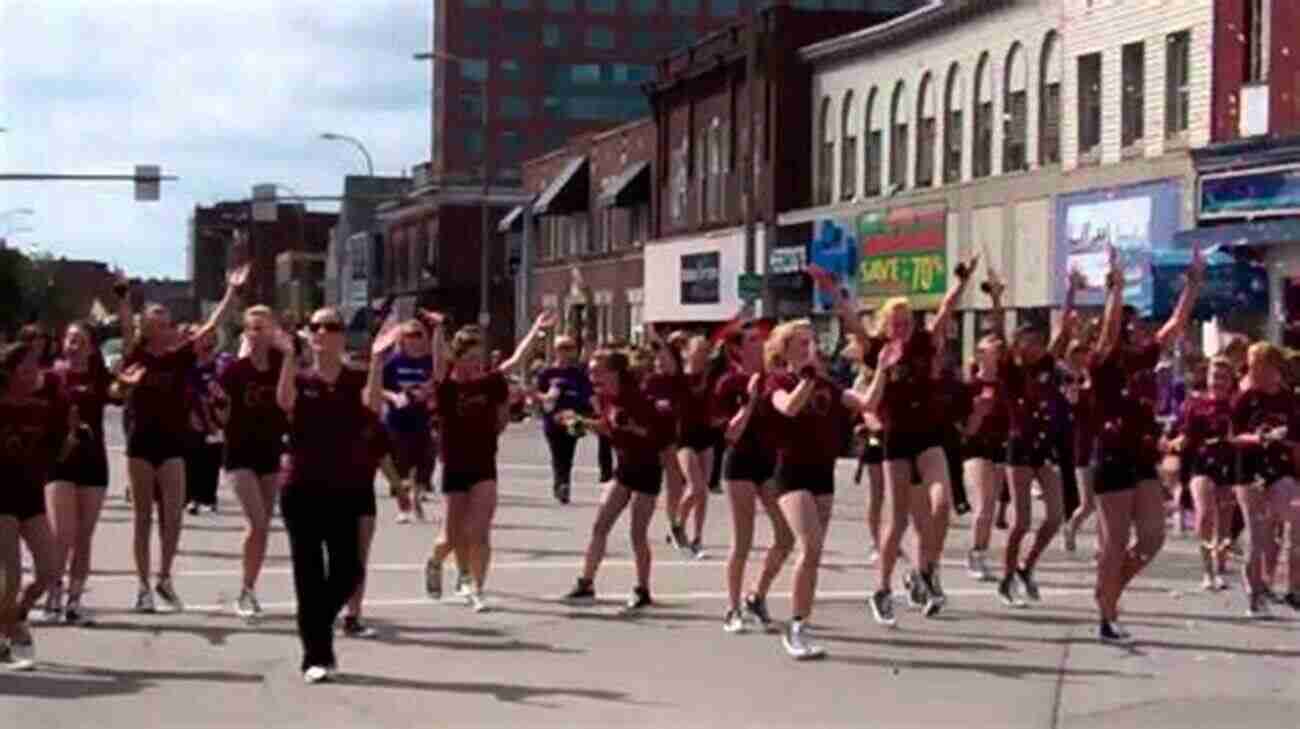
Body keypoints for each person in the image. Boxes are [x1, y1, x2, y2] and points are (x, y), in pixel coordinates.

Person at [115, 260, 248, 612]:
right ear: (147, 327)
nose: (160, 327)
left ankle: (165, 578)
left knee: (172, 517)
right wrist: (123, 296)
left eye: (164, 322)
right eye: (154, 322)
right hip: (140, 442)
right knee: (143, 517)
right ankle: (143, 586)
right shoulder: (137, 353)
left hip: (174, 442)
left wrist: (231, 292)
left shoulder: (179, 356)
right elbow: (126, 326)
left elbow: (211, 326)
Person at [1090, 244, 1202, 643]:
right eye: (1125, 325)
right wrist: (1116, 291)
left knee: (1153, 537)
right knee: (1115, 541)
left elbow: (1175, 323)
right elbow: (1105, 334)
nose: (1132, 330)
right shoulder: (1100, 364)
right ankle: (1107, 614)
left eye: (1134, 325)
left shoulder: (1144, 358)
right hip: (1111, 456)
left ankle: (1109, 591)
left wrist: (1193, 284)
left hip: (1140, 456)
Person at [276, 307, 392, 684]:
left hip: (343, 487)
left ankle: (314, 625)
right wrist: (290, 355)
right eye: (317, 327)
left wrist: (376, 360)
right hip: (302, 487)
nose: (324, 332)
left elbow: (373, 408)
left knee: (348, 570)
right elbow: (284, 402)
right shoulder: (302, 377)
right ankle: (317, 655)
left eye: (333, 327)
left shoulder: (354, 377)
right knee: (308, 575)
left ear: (343, 336)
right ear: (310, 335)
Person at [863, 254, 977, 626]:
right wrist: (880, 371)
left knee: (941, 504)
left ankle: (926, 570)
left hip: (929, 436)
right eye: (895, 323)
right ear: (887, 326)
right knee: (897, 521)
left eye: (906, 321)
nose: (902, 327)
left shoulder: (925, 343)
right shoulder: (881, 353)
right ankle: (881, 588)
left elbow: (945, 310)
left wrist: (961, 282)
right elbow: (872, 399)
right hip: (896, 439)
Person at [422, 311, 554, 612]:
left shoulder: (490, 382)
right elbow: (438, 363)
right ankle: (436, 561)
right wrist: (439, 328)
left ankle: (476, 587)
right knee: (451, 538)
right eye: (469, 357)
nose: (475, 362)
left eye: (478, 357)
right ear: (458, 358)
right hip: (455, 465)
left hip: (484, 464)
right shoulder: (447, 387)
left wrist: (536, 329)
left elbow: (517, 360)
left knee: (480, 531)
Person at [765, 311, 872, 659]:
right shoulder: (777, 381)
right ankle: (795, 626)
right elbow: (789, 409)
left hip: (822, 473)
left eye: (812, 341)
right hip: (791, 473)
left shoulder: (826, 384)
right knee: (808, 546)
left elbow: (866, 403)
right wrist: (808, 378)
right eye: (802, 342)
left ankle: (791, 616)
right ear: (786, 349)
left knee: (813, 553)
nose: (810, 346)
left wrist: (881, 368)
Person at [983, 268, 1078, 607]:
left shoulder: (1048, 365)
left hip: (1044, 447)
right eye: (1027, 342)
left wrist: (1071, 292)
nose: (1034, 347)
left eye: (1038, 342)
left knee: (1054, 516)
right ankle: (1008, 576)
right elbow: (998, 331)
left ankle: (1027, 566)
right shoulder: (1011, 369)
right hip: (1019, 447)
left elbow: (1064, 332)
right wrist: (996, 298)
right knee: (1021, 520)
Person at [562, 347, 675, 611]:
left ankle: (643, 589)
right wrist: (581, 423)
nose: (591, 374)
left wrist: (631, 426)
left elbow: (656, 436)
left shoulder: (637, 397)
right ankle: (586, 582)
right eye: (590, 370)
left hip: (647, 469)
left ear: (614, 372)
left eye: (597, 370)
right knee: (600, 525)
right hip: (623, 469)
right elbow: (606, 426)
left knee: (638, 534)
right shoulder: (603, 398)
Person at [0, 340, 75, 670]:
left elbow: (56, 450)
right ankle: (9, 633)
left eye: (37, 367)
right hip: (0, 496)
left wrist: (69, 435)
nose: (35, 374)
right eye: (28, 367)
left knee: (48, 571)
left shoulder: (42, 407)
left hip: (30, 495)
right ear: (12, 371)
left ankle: (14, 617)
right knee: (11, 576)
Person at [714, 322, 794, 633]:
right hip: (740, 463)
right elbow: (730, 433)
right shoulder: (729, 383)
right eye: (751, 340)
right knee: (743, 541)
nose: (759, 343)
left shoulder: (775, 380)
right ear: (737, 349)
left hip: (769, 463)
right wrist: (748, 400)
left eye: (761, 339)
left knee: (786, 536)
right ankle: (732, 608)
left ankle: (757, 595)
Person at [214, 305, 289, 622]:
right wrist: (216, 408)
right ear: (245, 333)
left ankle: (250, 588)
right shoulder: (234, 371)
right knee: (257, 522)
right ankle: (245, 590)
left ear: (274, 331)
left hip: (270, 452)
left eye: (264, 327)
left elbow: (290, 402)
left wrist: (291, 357)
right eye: (253, 328)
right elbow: (221, 414)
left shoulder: (281, 365)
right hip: (239, 453)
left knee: (262, 528)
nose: (259, 334)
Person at [42, 322, 116, 624]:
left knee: (84, 536)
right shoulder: (52, 376)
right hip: (59, 462)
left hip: (93, 462)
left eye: (82, 341)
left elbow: (118, 390)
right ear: (63, 342)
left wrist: (125, 385)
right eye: (71, 340)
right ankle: (53, 594)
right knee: (62, 534)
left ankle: (74, 599)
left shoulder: (99, 377)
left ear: (92, 347)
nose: (75, 346)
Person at [1229, 342, 1300, 616]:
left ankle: (1293, 586)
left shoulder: (1289, 399)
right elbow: (1233, 436)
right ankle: (1254, 595)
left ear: (1271, 367)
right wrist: (1259, 438)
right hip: (1248, 470)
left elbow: (1295, 439)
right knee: (1257, 535)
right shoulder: (1245, 398)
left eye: (1255, 364)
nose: (1250, 369)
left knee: (1294, 513)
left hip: (1279, 469)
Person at [1165, 356, 1237, 592]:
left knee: (1225, 521)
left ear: (1230, 380)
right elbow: (1184, 438)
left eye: (1223, 377)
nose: (1218, 381)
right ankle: (1207, 570)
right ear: (1207, 378)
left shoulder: (1237, 406)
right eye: (1214, 376)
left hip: (1229, 467)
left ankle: (1220, 568)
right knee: (1205, 515)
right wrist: (1168, 446)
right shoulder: (1194, 406)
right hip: (1201, 465)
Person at [963, 334, 1010, 583]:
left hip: (999, 448)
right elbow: (966, 429)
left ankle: (980, 552)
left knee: (991, 506)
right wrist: (978, 414)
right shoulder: (970, 386)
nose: (999, 350)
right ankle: (975, 554)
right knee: (983, 503)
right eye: (993, 346)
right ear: (981, 354)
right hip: (975, 448)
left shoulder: (1004, 385)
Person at [382, 318, 436, 523]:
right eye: (409, 335)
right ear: (401, 339)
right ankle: (403, 507)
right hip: (397, 421)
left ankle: (417, 493)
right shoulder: (393, 362)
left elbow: (439, 380)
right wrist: (394, 397)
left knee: (426, 461)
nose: (414, 339)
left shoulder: (428, 361)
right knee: (400, 466)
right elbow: (378, 386)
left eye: (418, 335)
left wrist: (428, 393)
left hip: (422, 419)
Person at [536, 335, 594, 505]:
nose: (566, 352)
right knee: (557, 452)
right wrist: (546, 397)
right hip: (553, 418)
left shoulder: (578, 373)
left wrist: (591, 410)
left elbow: (588, 393)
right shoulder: (547, 372)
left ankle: (564, 484)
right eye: (562, 348)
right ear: (555, 351)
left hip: (573, 417)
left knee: (569, 454)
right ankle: (560, 484)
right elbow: (537, 393)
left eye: (569, 348)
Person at [184, 326, 231, 515]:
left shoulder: (222, 363)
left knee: (211, 458)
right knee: (191, 457)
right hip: (191, 417)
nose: (207, 342)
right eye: (202, 338)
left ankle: (208, 497)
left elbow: (228, 392)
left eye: (210, 338)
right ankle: (191, 497)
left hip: (216, 418)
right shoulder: (186, 364)